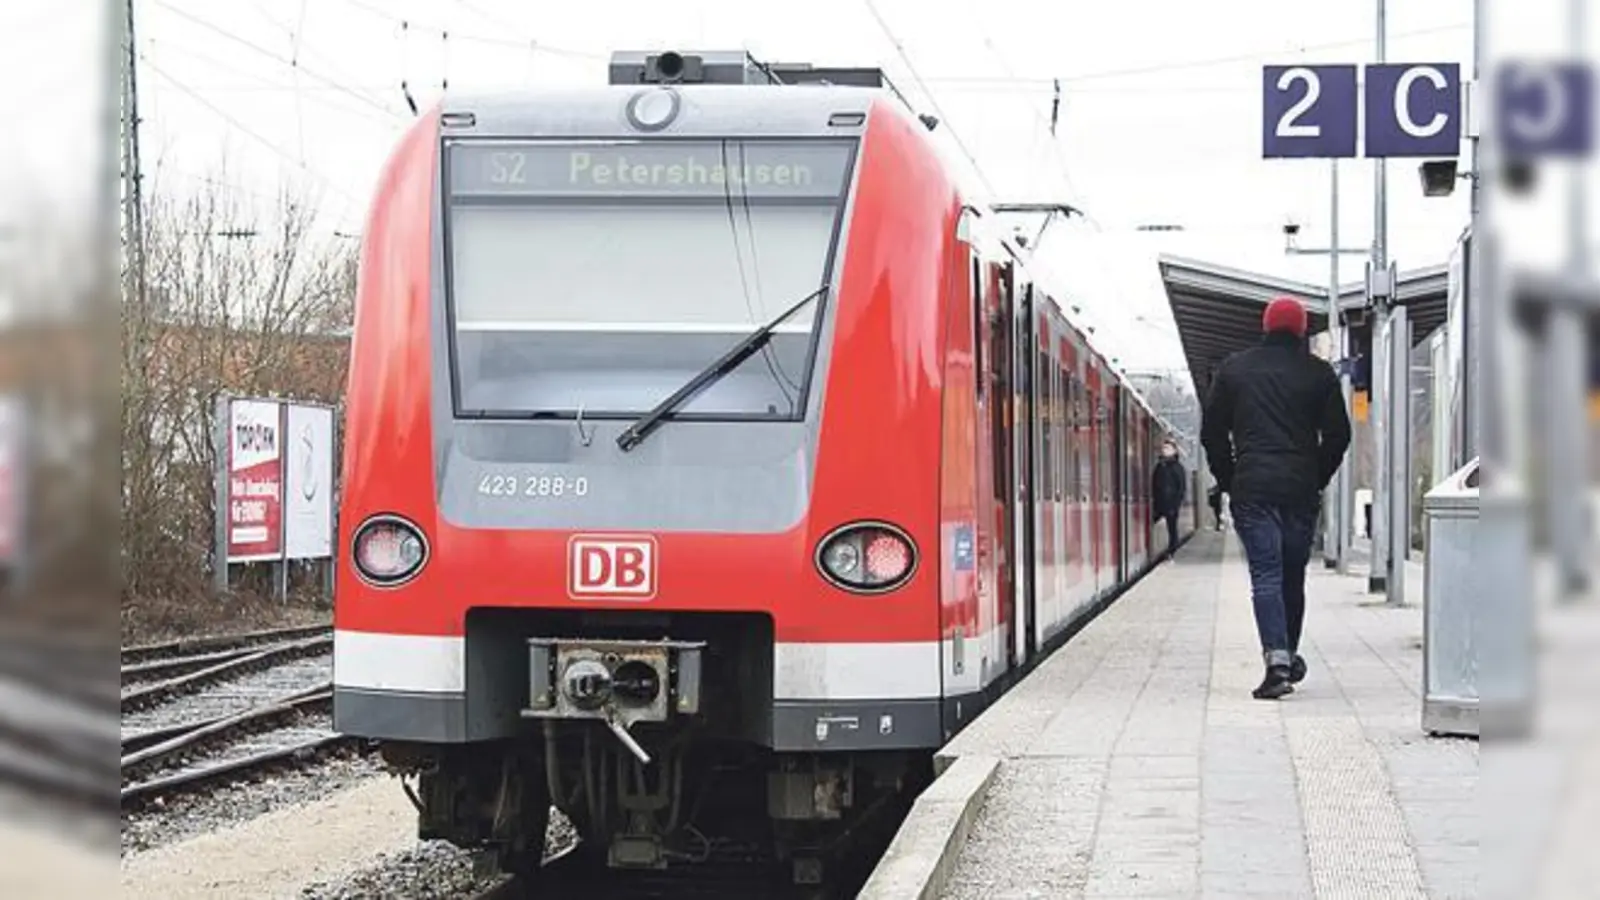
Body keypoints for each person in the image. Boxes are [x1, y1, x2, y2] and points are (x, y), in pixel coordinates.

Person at [1200, 296, 1351, 700]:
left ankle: (1278, 662)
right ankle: (1288, 655)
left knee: (1265, 574)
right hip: (1300, 489)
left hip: (1254, 487)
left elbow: (1212, 434)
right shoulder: (1318, 374)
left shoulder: (1235, 370)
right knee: (1291, 575)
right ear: (1302, 330)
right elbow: (1339, 436)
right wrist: (1316, 475)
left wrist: (1231, 479)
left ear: (1266, 326)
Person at [1150, 440, 1187, 558]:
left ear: (1174, 450)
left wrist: (1176, 504)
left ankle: (1172, 551)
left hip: (1171, 504)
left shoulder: (1177, 467)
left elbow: (1181, 487)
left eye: (1168, 448)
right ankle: (1158, 549)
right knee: (1156, 524)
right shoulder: (1159, 466)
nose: (1165, 450)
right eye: (1164, 448)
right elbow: (1154, 485)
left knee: (1172, 528)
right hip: (1159, 504)